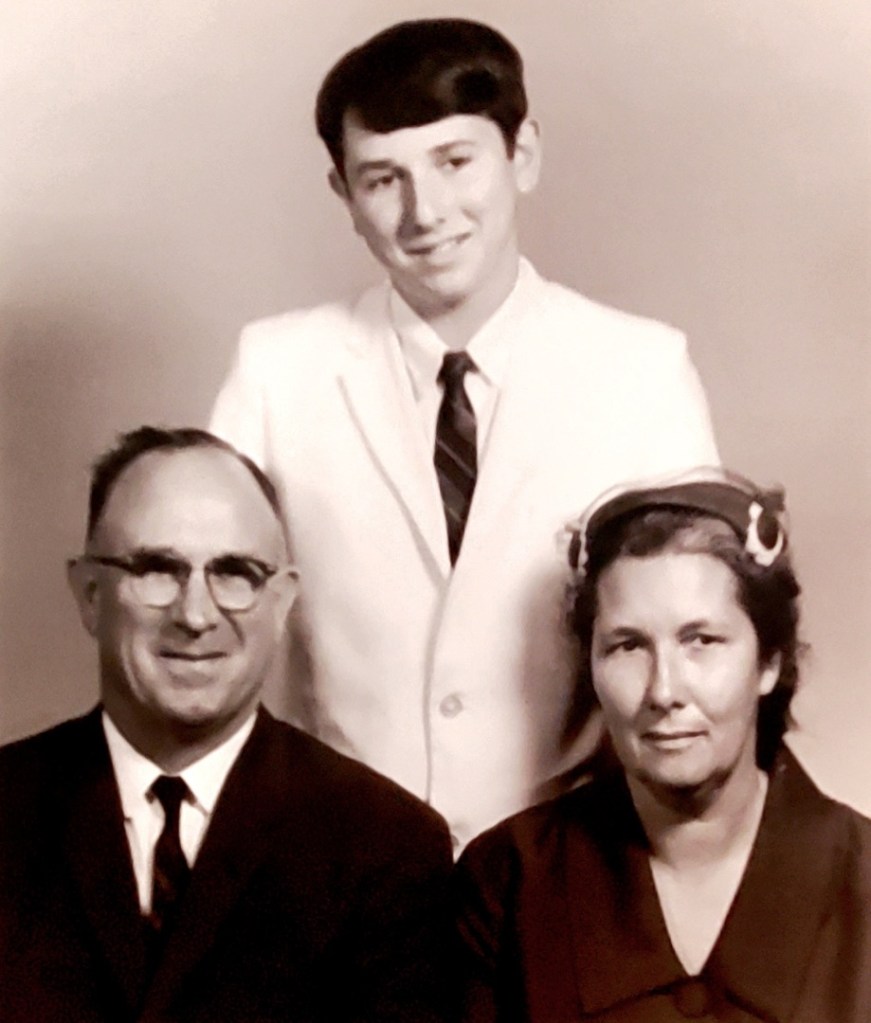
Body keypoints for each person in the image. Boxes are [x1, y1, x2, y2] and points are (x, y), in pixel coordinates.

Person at [210, 17, 720, 848]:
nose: (425, 212)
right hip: (334, 854)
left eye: (454, 162)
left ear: (521, 156)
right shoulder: (276, 369)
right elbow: (214, 614)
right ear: (342, 194)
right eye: (381, 179)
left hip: (575, 857)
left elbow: (697, 636)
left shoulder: (641, 370)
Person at [0, 427, 454, 1023]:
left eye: (234, 572)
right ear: (89, 594)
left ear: (283, 601)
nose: (195, 614)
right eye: (156, 568)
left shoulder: (387, 847)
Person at [454, 468, 871, 1021]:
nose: (664, 691)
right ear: (592, 669)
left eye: (701, 641)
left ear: (770, 663)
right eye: (628, 646)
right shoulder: (507, 882)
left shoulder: (861, 881)